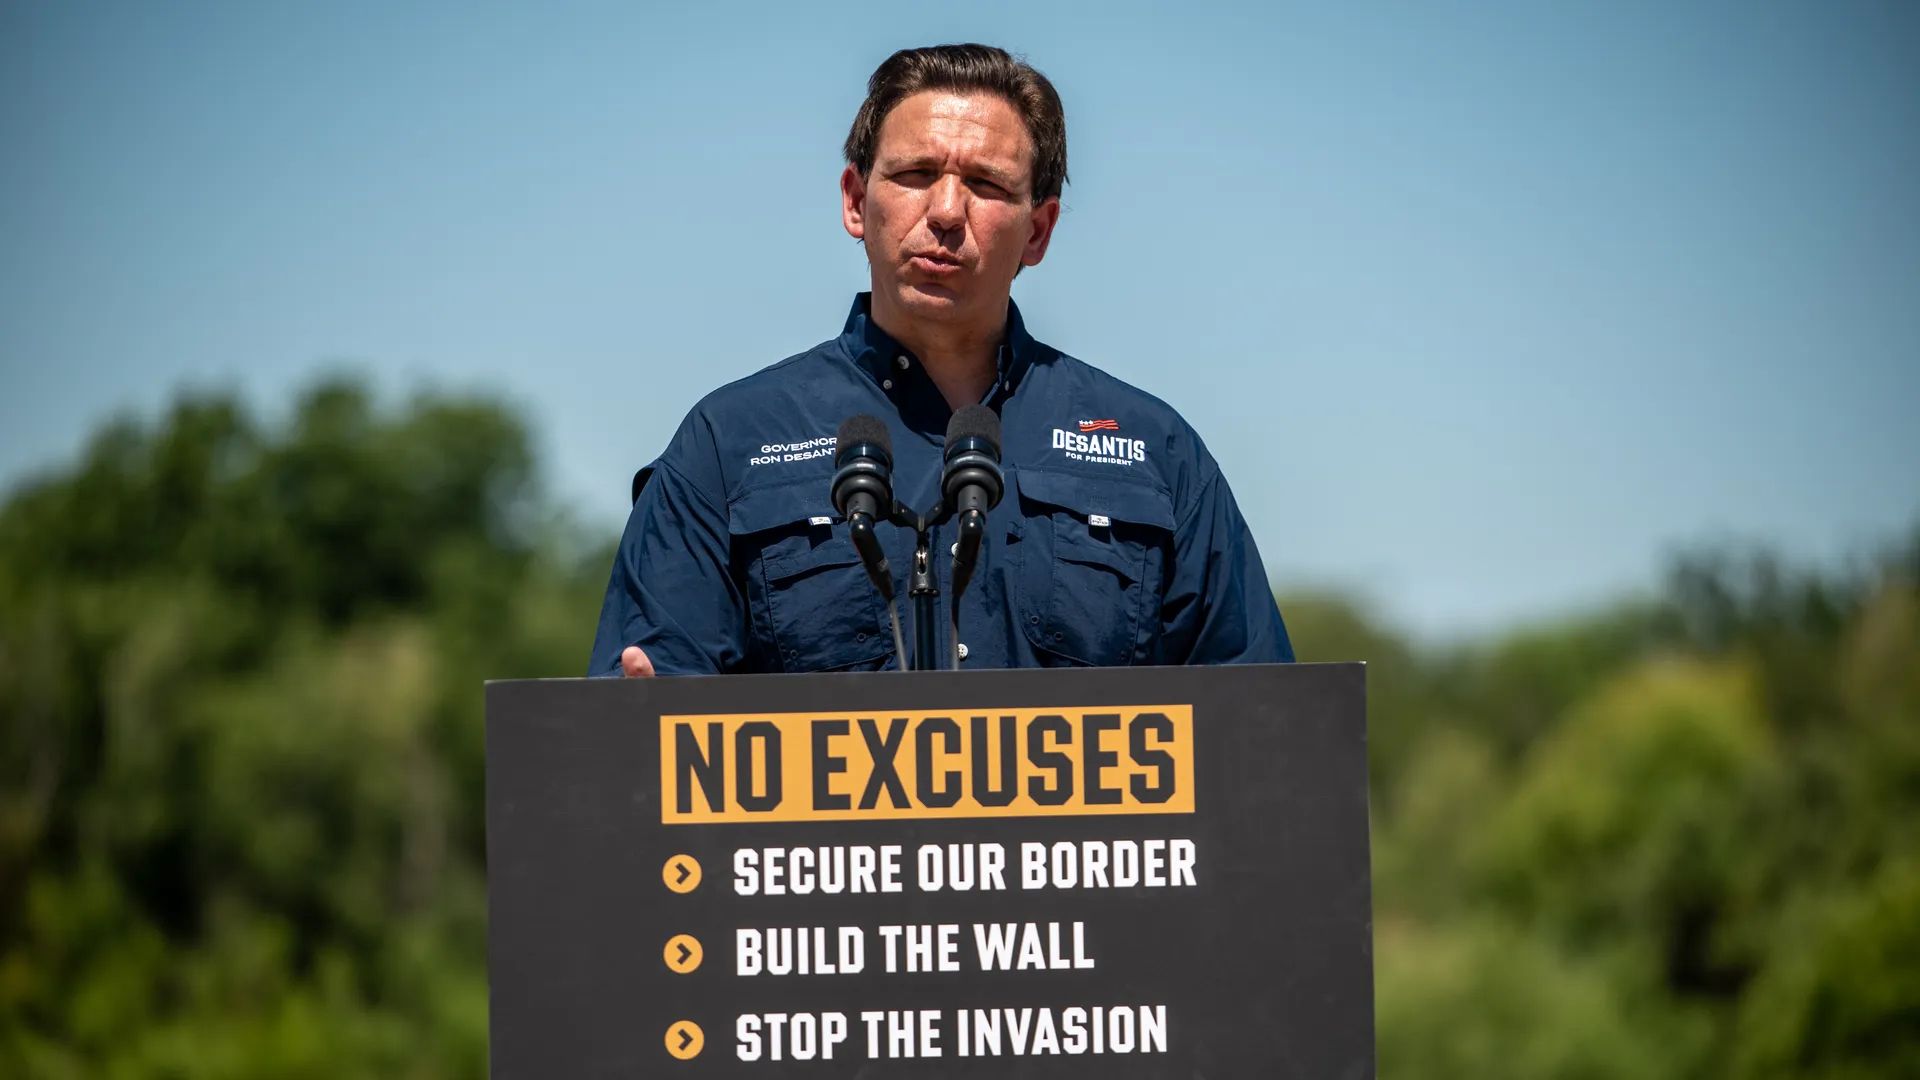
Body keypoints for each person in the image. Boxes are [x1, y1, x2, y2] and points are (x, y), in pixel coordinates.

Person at [589, 43, 1292, 677]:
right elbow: (644, 748)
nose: (947, 210)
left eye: (986, 184)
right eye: (916, 174)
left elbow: (1262, 737)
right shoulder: (726, 443)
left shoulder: (1154, 452)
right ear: (857, 201)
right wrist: (636, 735)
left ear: (1038, 231)